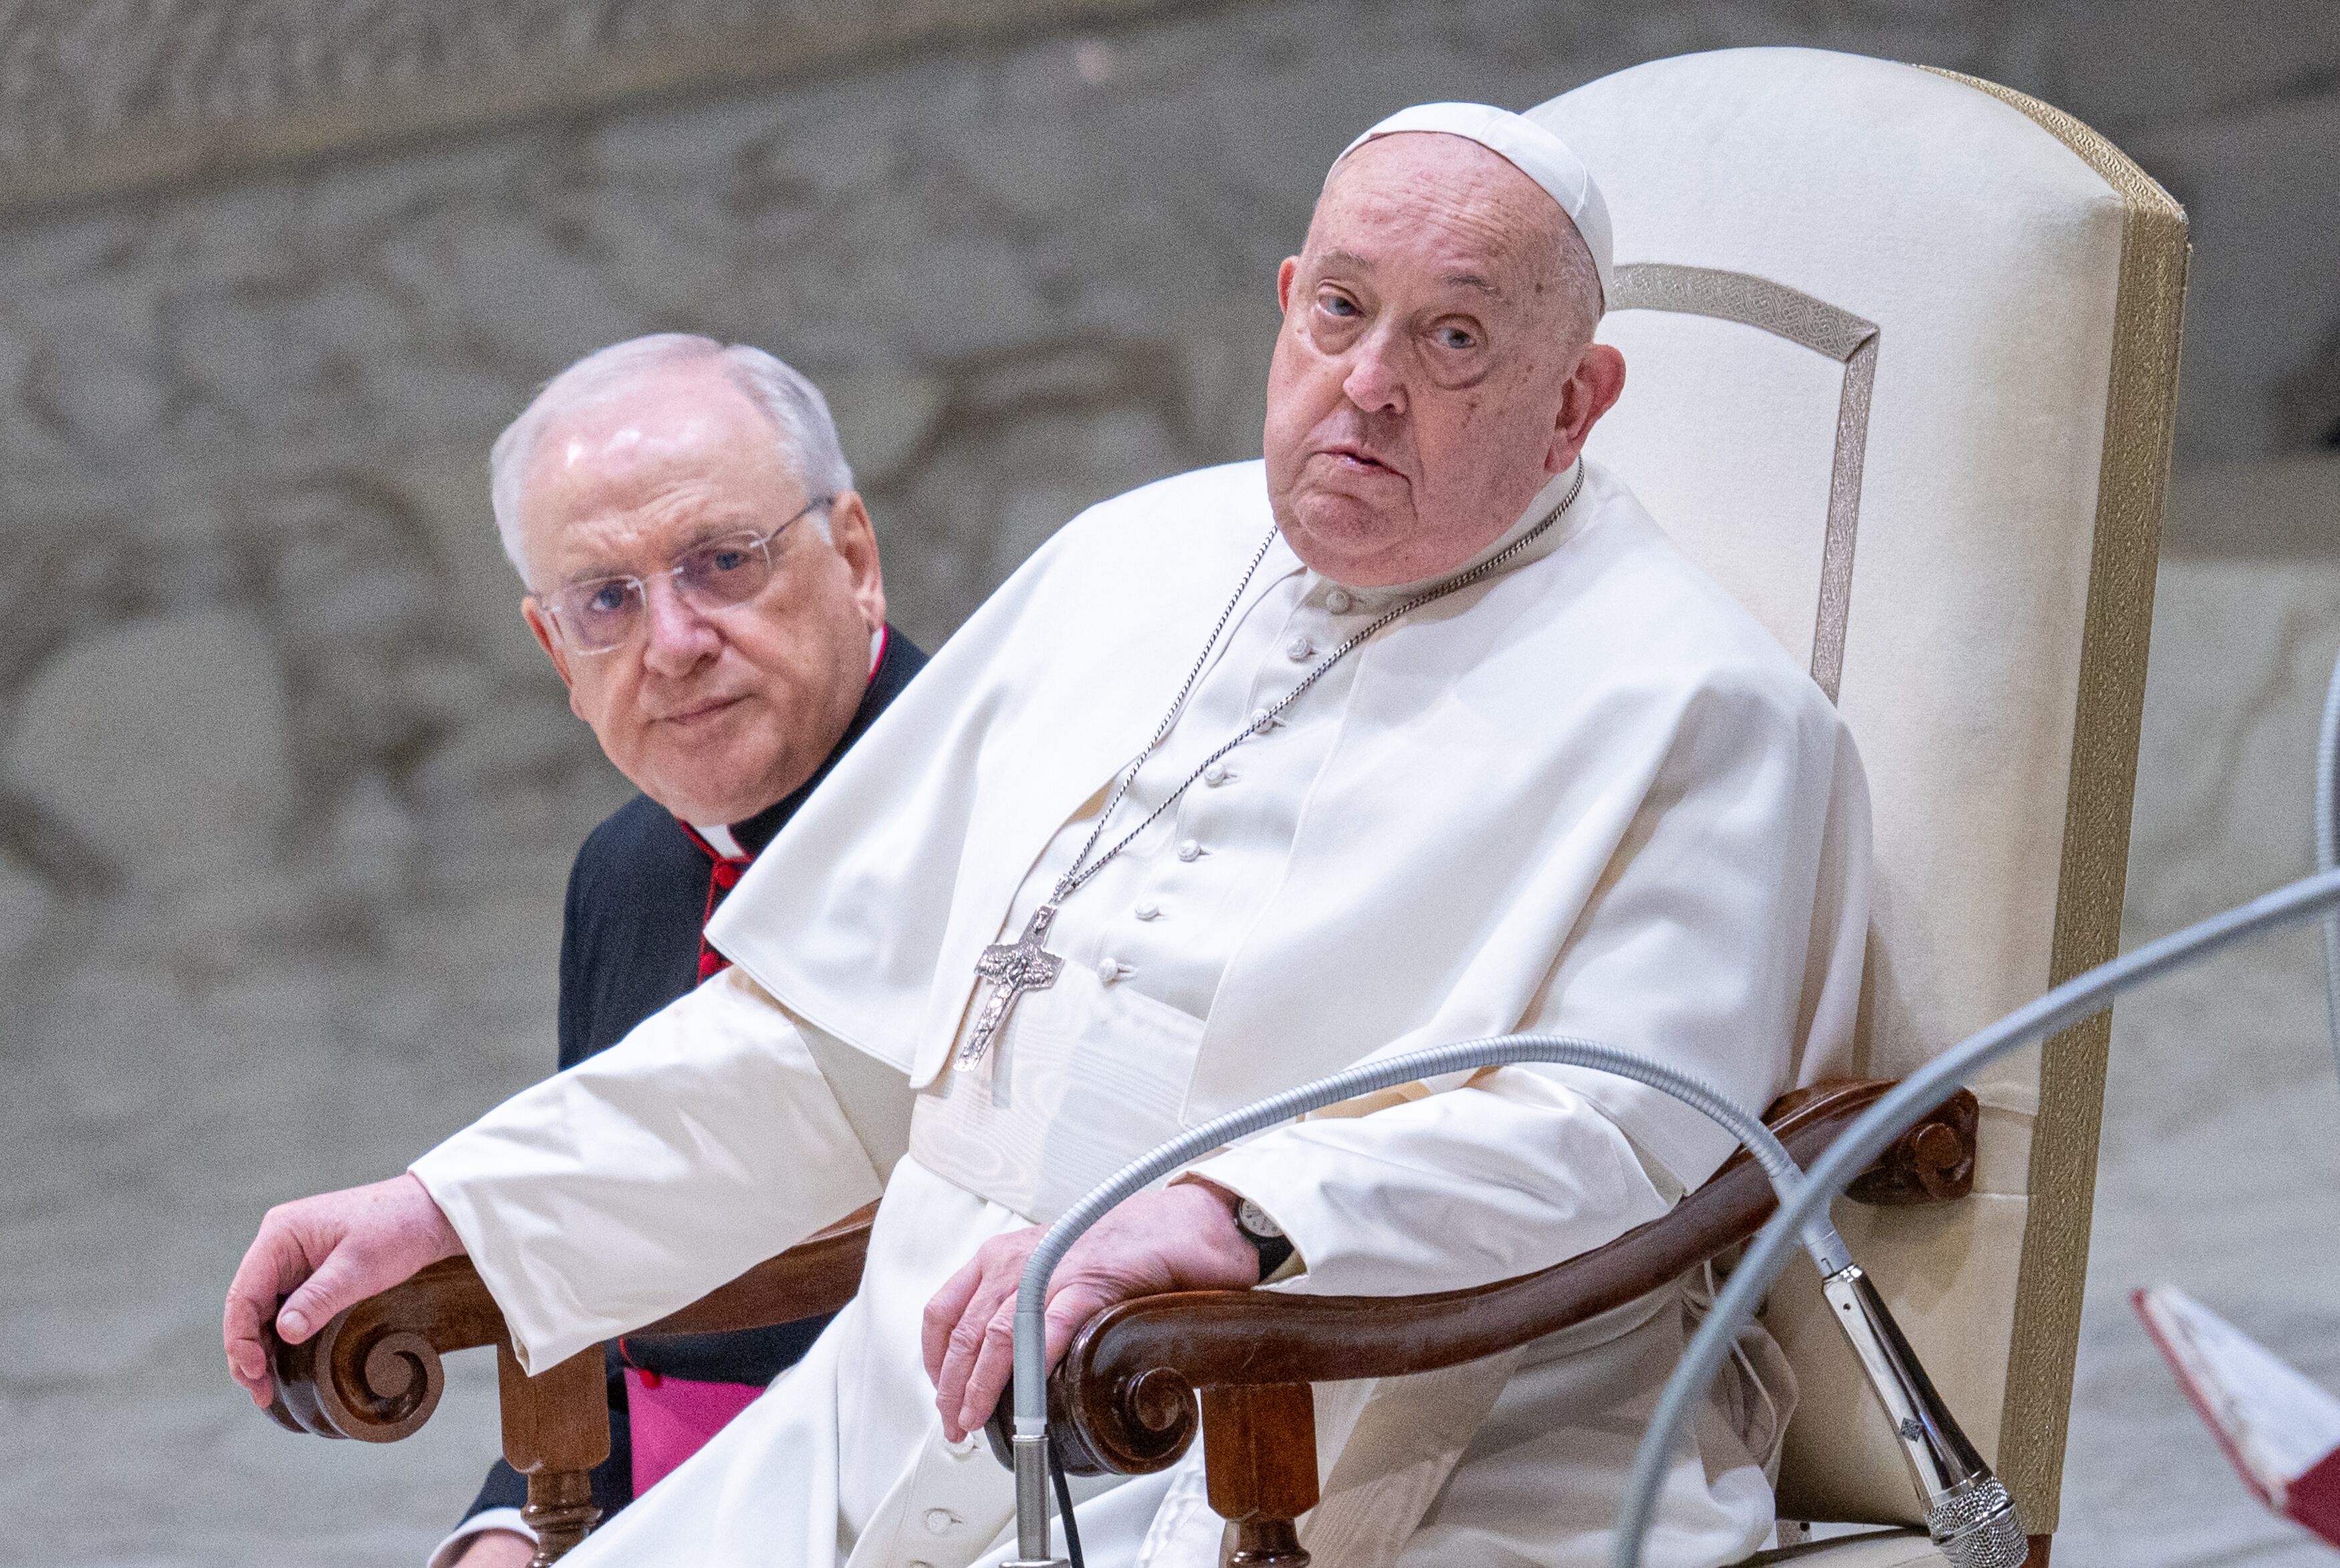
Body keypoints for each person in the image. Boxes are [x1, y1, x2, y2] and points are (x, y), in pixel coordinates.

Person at [227, 102, 1872, 1568]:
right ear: (1285, 302)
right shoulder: (1121, 561)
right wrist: (456, 1207)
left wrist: (1241, 1213)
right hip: (899, 1404)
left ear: (1575, 401)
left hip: (1394, 1432)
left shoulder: (1701, 711)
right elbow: (826, 1045)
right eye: (1342, 312)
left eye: (1453, 344)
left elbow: (1623, 1130)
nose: (1365, 390)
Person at [427, 334, 929, 1567]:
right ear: (557, 656)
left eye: (721, 563)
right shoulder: (626, 871)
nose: (674, 639)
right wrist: (505, 1535)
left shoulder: (1008, 805)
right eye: (608, 599)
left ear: (855, 557)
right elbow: (612, 1321)